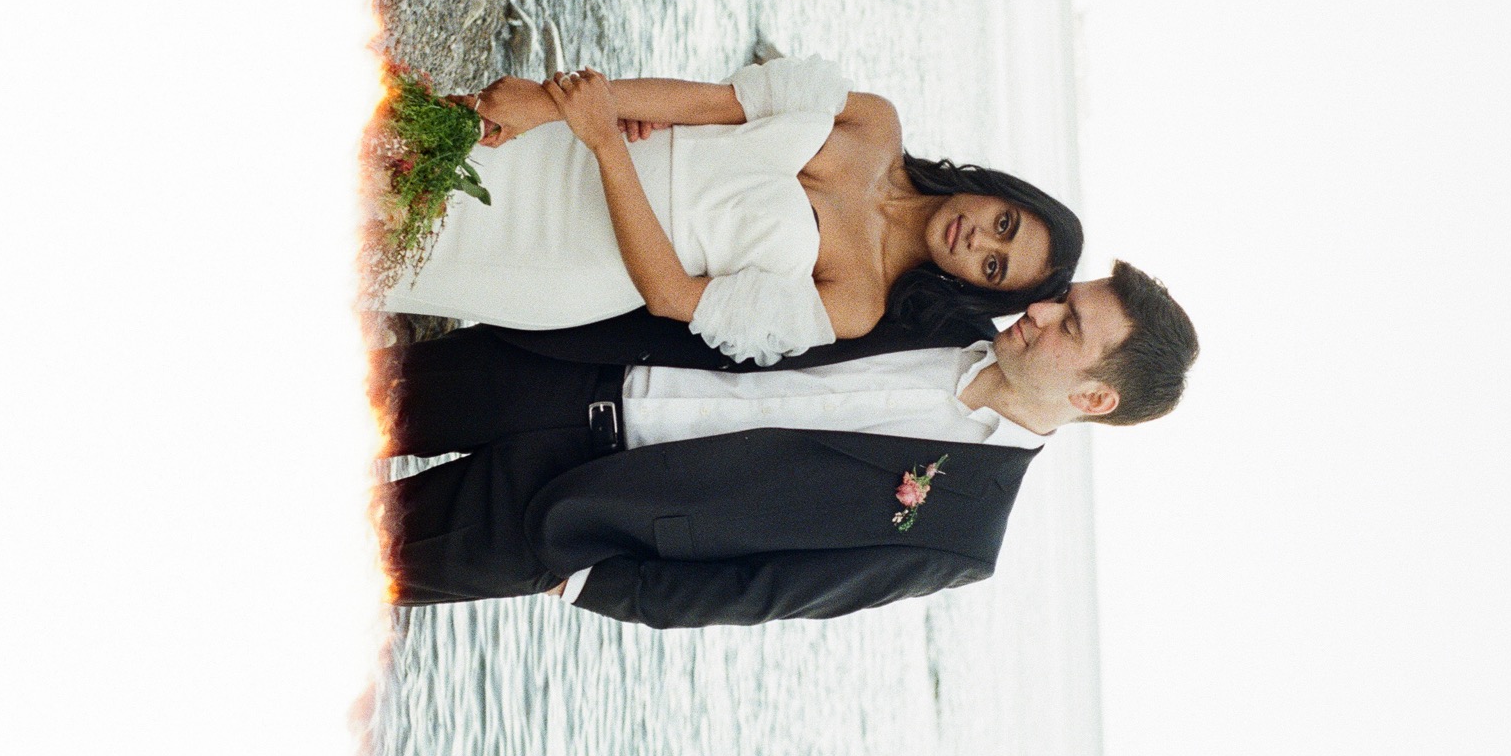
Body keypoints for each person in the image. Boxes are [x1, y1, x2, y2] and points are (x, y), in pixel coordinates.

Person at [374, 261, 1199, 628]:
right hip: (568, 367)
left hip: (579, 515)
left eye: (1072, 323)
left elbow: (767, 591)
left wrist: (589, 579)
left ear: (1095, 396)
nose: (1045, 309)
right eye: (1065, 296)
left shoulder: (959, 534)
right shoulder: (936, 308)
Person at [376, 56, 1085, 366]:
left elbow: (670, 295)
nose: (977, 240)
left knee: (367, 245)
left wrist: (603, 143)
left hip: (573, 255)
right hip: (561, 153)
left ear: (974, 285)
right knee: (372, 146)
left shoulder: (857, 303)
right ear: (1002, 193)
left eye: (993, 265)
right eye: (1005, 223)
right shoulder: (875, 124)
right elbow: (706, 103)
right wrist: (548, 105)